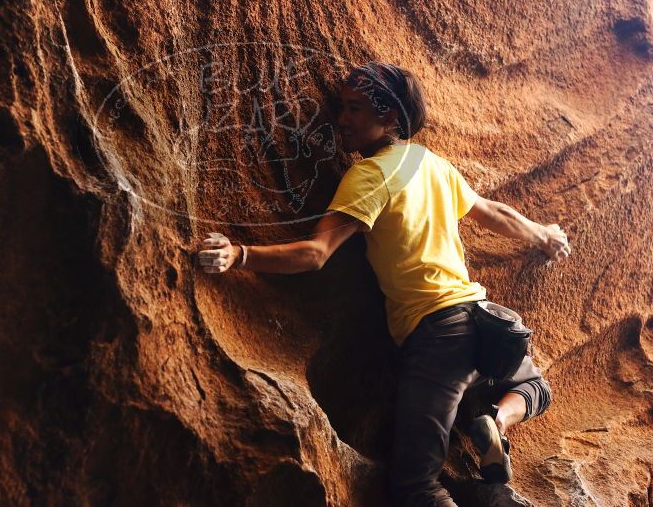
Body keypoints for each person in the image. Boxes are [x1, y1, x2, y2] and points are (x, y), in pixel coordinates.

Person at [197, 62, 569, 506]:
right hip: (482, 322)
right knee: (535, 387)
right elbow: (493, 212)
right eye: (342, 107)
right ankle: (495, 420)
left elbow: (316, 253)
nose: (341, 119)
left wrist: (240, 254)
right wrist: (544, 235)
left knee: (416, 487)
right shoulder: (431, 163)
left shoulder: (370, 176)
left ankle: (487, 420)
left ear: (390, 118)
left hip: (436, 337)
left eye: (354, 109)